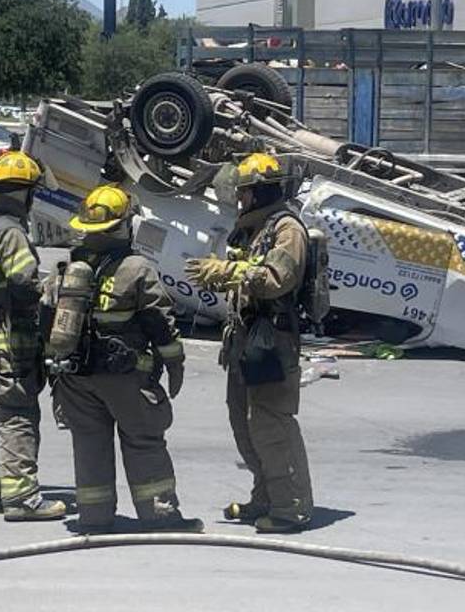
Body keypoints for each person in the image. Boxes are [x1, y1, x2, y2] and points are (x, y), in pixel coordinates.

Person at [49, 185, 202, 534]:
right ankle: (160, 516)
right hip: (124, 378)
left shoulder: (68, 269)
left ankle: (94, 517)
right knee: (143, 441)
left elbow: (48, 321)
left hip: (75, 377)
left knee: (89, 445)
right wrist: (175, 365)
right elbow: (160, 323)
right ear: (123, 226)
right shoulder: (136, 268)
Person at [185, 153, 314, 534]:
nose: (239, 200)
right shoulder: (256, 228)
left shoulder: (287, 229)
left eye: (243, 193)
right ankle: (266, 497)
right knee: (244, 424)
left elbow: (277, 279)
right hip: (246, 342)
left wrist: (227, 272)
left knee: (271, 427)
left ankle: (290, 507)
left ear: (260, 192)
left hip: (273, 343)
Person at [0, 153, 65, 521]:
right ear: (24, 193)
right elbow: (23, 283)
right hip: (6, 339)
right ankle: (22, 498)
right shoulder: (10, 230)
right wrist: (53, 289)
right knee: (16, 413)